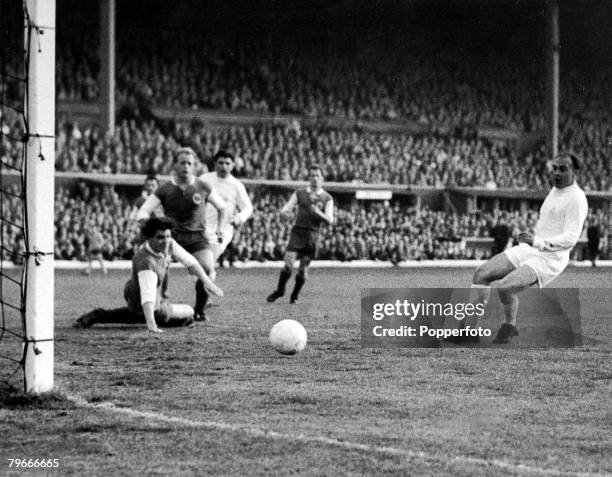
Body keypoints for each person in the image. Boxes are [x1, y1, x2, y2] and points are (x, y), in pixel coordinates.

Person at [467, 152, 588, 344]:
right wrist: (531, 240)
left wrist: (538, 242)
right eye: (554, 168)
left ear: (574, 171)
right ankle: (468, 332)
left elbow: (571, 238)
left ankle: (509, 327)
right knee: (481, 273)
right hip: (530, 248)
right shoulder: (555, 191)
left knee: (505, 288)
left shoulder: (577, 199)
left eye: (562, 169)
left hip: (550, 258)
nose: (556, 173)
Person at [73, 217, 223, 333]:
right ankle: (102, 315)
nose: (165, 241)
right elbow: (147, 297)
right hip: (139, 296)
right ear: (149, 238)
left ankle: (98, 315)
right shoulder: (146, 261)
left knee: (141, 313)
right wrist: (151, 325)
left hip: (137, 289)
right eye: (160, 237)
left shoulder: (169, 244)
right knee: (186, 312)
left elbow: (191, 262)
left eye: (168, 236)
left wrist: (208, 283)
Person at [136, 147, 227, 321]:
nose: (185, 166)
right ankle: (153, 307)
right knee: (154, 270)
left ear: (194, 166)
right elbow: (144, 210)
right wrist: (144, 221)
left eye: (189, 163)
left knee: (207, 269)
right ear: (175, 165)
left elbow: (222, 207)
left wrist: (220, 228)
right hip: (171, 240)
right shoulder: (165, 189)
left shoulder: (203, 186)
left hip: (197, 238)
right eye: (182, 163)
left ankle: (199, 310)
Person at [267, 165, 334, 304]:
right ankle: (280, 291)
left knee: (303, 270)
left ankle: (294, 296)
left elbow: (330, 220)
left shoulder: (327, 198)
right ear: (309, 178)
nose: (315, 179)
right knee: (288, 265)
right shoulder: (300, 193)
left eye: (317, 176)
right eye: (312, 176)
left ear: (322, 179)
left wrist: (319, 212)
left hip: (313, 236)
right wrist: (284, 213)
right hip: (298, 232)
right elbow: (286, 208)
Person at [200, 150, 253, 271]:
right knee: (200, 267)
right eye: (221, 163)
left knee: (208, 264)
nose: (224, 166)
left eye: (227, 163)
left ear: (233, 165)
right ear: (215, 164)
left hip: (222, 229)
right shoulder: (205, 179)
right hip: (202, 226)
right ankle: (205, 287)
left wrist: (238, 218)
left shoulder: (236, 185)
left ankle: (205, 287)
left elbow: (248, 207)